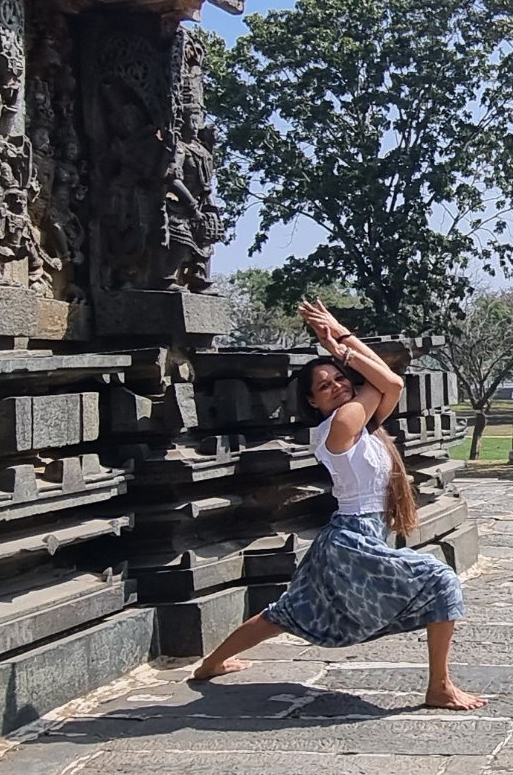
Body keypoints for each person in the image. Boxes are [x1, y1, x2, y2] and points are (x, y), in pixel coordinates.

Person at [188, 301, 482, 710]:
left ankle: (210, 665)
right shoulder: (341, 425)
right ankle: (440, 687)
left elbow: (388, 385)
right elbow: (389, 381)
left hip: (350, 536)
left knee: (286, 613)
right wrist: (340, 347)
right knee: (441, 580)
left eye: (340, 378)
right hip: (352, 540)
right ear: (312, 401)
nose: (338, 386)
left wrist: (339, 334)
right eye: (325, 386)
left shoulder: (366, 426)